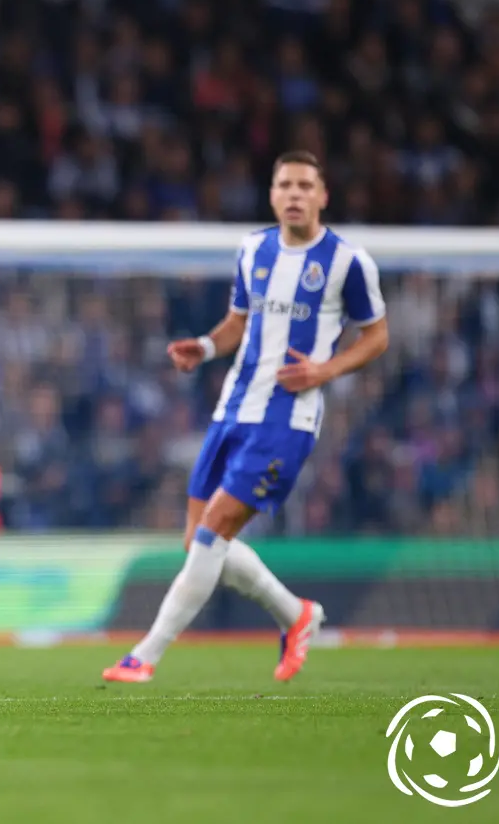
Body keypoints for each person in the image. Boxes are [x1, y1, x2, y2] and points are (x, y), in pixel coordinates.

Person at [103, 150, 389, 683]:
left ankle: (144, 655)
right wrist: (207, 347)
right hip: (233, 407)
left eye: (306, 186)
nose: (295, 194)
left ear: (323, 196)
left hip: (287, 420)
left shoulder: (348, 263)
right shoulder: (253, 248)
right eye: (286, 185)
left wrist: (325, 370)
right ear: (272, 194)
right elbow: (239, 321)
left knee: (212, 533)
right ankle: (296, 615)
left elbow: (378, 337)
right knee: (198, 542)